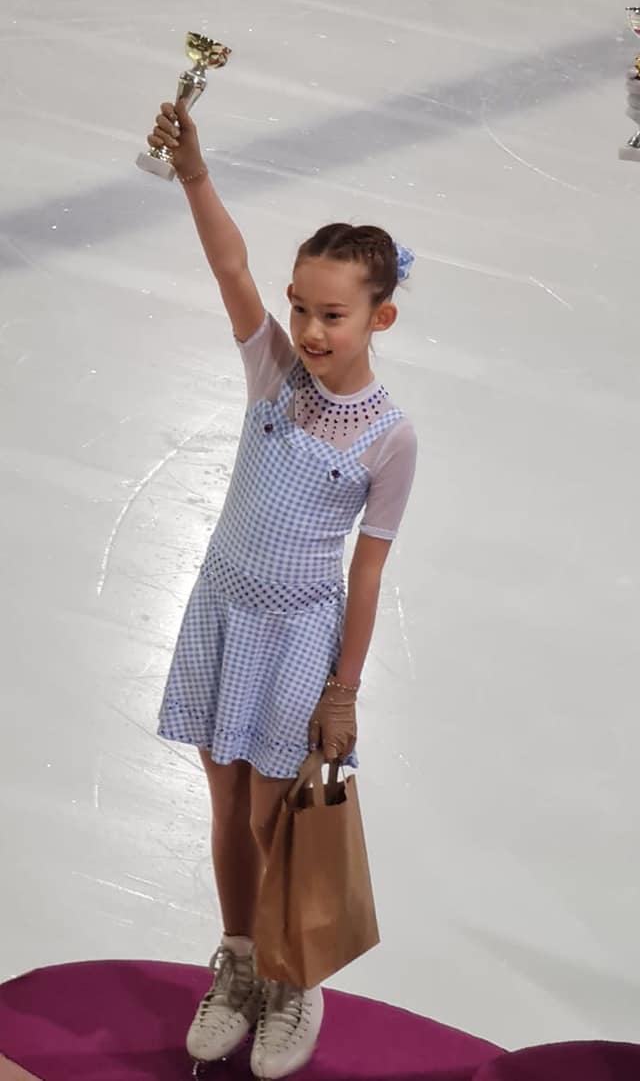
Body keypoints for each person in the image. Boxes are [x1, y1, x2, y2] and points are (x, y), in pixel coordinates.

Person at [148, 97, 418, 1079]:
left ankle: (292, 974)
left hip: (298, 634)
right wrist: (193, 173)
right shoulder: (272, 371)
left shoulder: (389, 438)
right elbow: (231, 267)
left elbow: (368, 569)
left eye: (331, 314)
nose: (307, 326)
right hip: (222, 609)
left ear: (380, 316)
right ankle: (240, 960)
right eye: (299, 305)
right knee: (225, 801)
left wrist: (343, 690)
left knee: (274, 815)